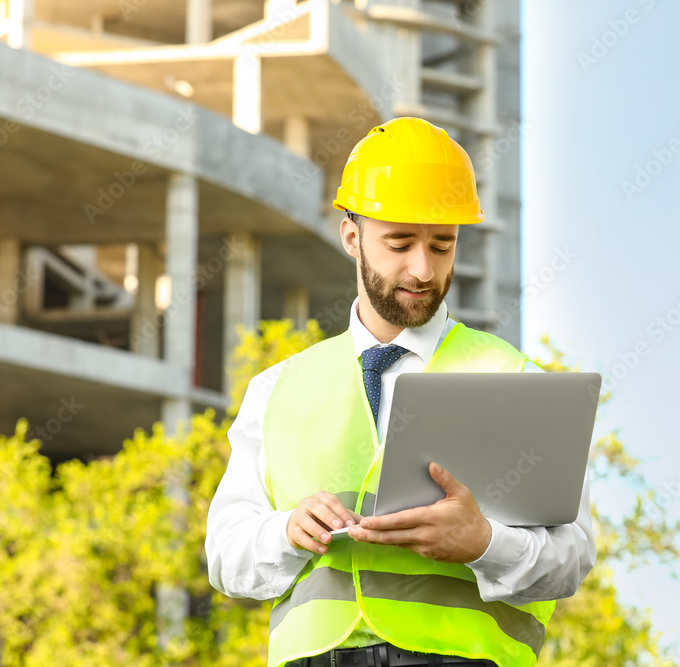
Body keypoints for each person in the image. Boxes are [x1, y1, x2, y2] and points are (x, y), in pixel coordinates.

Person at [205, 117, 596, 667]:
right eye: (399, 243)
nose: (422, 268)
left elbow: (573, 556)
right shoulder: (278, 390)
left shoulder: (514, 380)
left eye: (442, 245)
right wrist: (285, 532)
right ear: (351, 237)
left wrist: (485, 543)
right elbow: (225, 555)